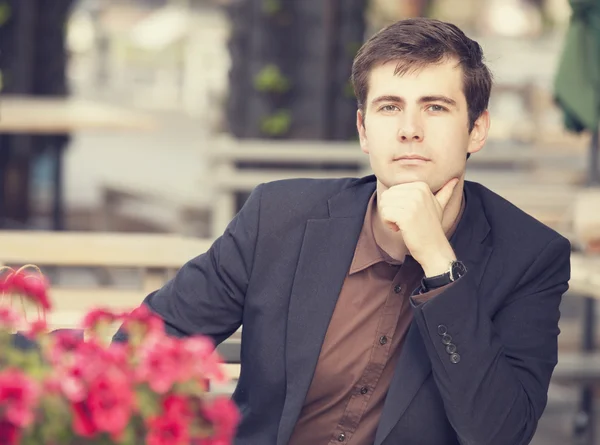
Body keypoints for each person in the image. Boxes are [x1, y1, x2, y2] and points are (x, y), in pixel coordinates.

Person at [113, 17, 571, 445]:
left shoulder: (530, 256)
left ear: (476, 129)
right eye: (389, 107)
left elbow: (501, 433)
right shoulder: (278, 216)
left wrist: (439, 264)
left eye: (435, 107)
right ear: (363, 130)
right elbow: (149, 343)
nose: (410, 130)